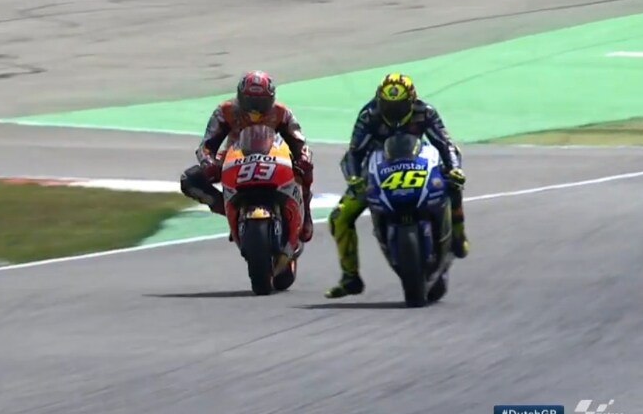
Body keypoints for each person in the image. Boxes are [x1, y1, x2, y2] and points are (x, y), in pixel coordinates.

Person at [324, 73, 469, 299]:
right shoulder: (369, 115)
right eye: (388, 106)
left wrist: (455, 168)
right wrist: (354, 179)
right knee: (339, 218)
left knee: (452, 182)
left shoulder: (425, 112)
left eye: (399, 106)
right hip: (377, 171)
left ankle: (458, 233)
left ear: (411, 101)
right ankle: (350, 277)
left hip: (418, 165)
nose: (393, 112)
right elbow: (353, 152)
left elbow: (446, 145)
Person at [179, 70, 316, 242]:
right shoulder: (225, 111)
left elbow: (300, 142)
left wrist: (303, 159)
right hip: (234, 159)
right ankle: (231, 212)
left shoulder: (282, 112)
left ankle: (306, 211)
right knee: (190, 179)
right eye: (250, 101)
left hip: (273, 156)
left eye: (261, 102)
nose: (255, 109)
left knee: (305, 168)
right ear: (240, 98)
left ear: (271, 99)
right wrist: (208, 163)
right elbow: (206, 146)